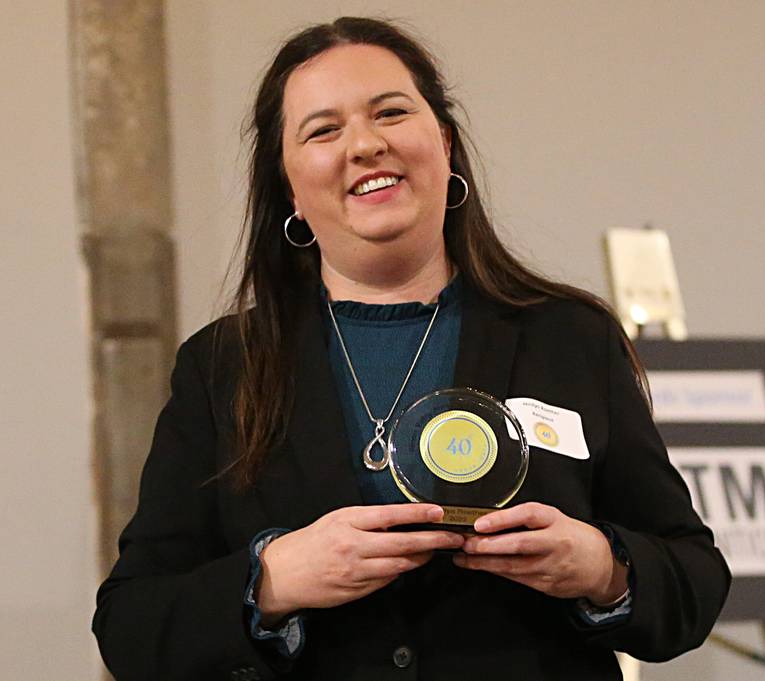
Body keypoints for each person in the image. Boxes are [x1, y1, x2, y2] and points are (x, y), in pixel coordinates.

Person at [92, 16, 730, 681]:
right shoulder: (222, 367)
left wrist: (603, 566)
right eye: (323, 130)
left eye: (390, 113)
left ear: (445, 144)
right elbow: (131, 624)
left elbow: (694, 579)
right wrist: (274, 577)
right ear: (290, 188)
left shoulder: (569, 337)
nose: (366, 144)